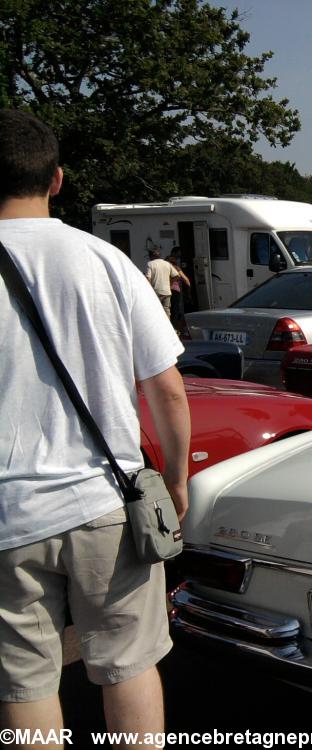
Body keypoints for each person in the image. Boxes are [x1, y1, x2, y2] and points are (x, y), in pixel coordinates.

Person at [0, 110, 190, 743]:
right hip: (106, 506)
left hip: (7, 518)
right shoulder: (105, 260)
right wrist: (179, 481)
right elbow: (165, 388)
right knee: (128, 664)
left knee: (26, 683)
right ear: (56, 180)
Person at [145, 247, 177, 317]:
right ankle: (168, 327)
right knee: (167, 312)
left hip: (156, 292)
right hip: (167, 292)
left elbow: (148, 278)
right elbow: (176, 275)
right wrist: (170, 283)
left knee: (156, 312)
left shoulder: (150, 264)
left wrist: (149, 291)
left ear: (152, 256)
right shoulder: (167, 263)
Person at [167, 249, 191, 332]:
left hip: (164, 291)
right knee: (175, 311)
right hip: (174, 291)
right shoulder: (176, 268)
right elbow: (186, 280)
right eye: (177, 256)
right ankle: (175, 329)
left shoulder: (164, 266)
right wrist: (188, 293)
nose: (178, 258)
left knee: (167, 310)